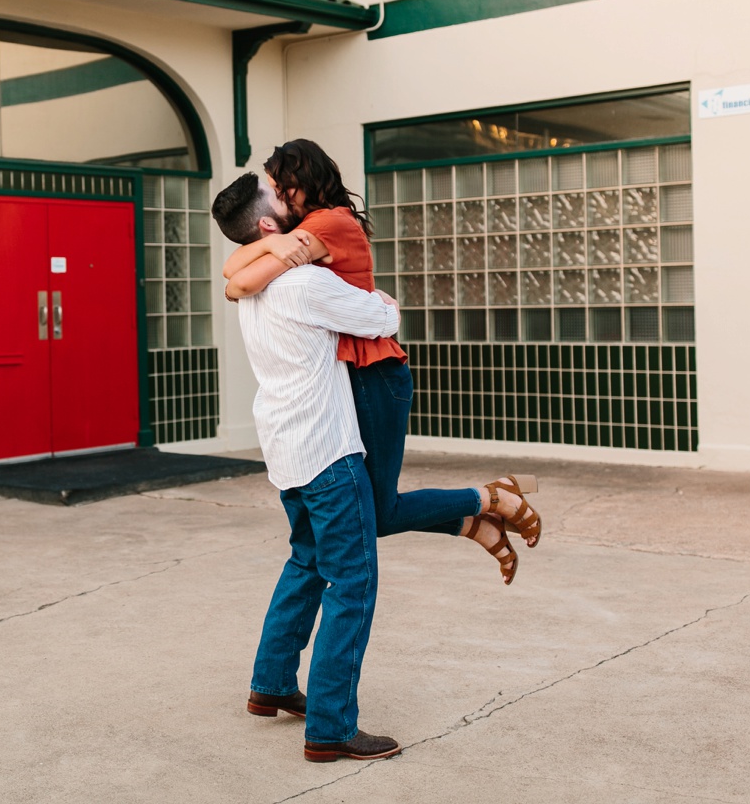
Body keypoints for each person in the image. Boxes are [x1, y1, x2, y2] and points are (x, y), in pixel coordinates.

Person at [223, 140, 542, 584]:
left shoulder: (327, 224)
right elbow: (233, 270)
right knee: (373, 513)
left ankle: (486, 500)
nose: (279, 193)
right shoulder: (310, 227)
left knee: (377, 511)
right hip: (352, 374)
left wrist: (270, 251)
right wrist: (273, 248)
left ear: (302, 182)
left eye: (281, 186)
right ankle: (477, 518)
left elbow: (237, 283)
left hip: (374, 373)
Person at [211, 171, 403, 763]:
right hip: (328, 449)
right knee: (353, 581)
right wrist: (382, 301)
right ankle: (331, 726)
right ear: (269, 227)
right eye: (283, 200)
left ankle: (270, 685)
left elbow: (236, 276)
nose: (296, 202)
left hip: (285, 449)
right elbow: (383, 319)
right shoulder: (307, 283)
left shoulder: (253, 287)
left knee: (307, 562)